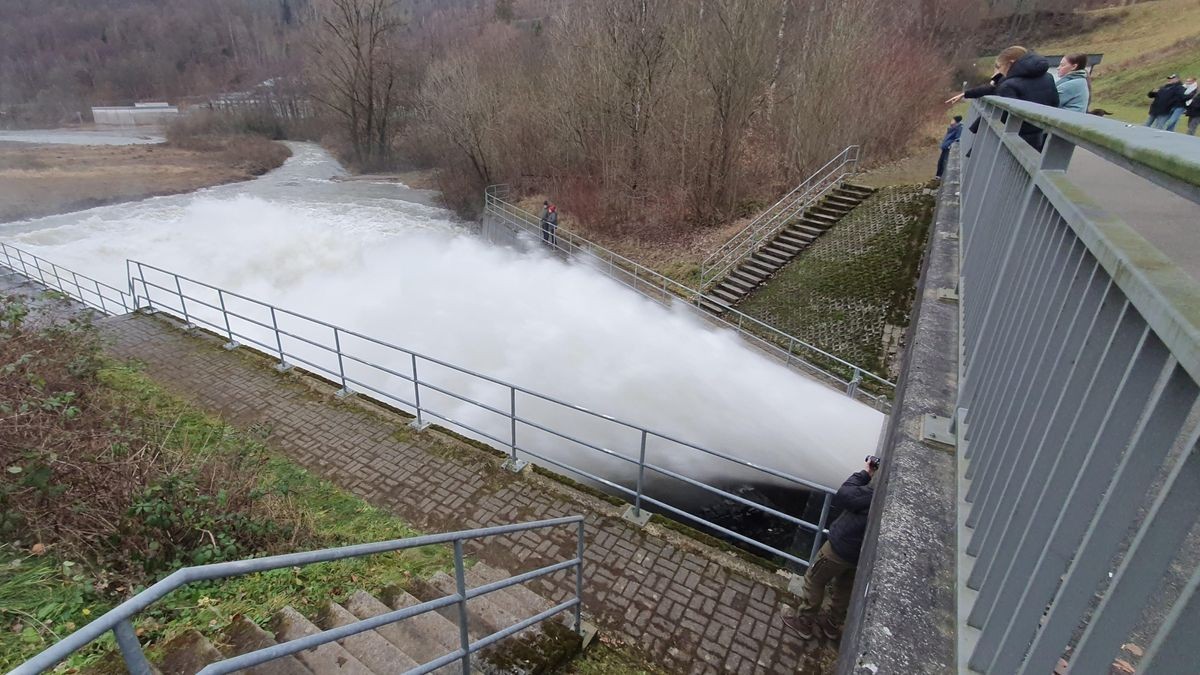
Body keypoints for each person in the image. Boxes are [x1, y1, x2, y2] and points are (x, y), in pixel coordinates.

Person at [782, 457, 878, 640]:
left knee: (814, 579)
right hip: (861, 554)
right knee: (844, 588)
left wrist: (865, 473)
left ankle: (804, 622)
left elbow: (845, 494)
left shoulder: (876, 494)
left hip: (841, 546)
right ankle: (832, 625)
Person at [947, 46, 1059, 150]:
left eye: (999, 67)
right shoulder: (1047, 77)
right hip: (1040, 135)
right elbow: (1055, 102)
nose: (999, 71)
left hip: (1015, 141)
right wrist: (967, 94)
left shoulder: (1009, 85)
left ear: (1011, 63)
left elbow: (1006, 116)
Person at [936, 115, 963, 180]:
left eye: (952, 120)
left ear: (955, 121)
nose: (951, 121)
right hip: (945, 147)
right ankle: (938, 175)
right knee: (941, 162)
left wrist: (950, 145)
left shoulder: (958, 128)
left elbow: (957, 138)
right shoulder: (952, 128)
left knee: (944, 162)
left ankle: (940, 176)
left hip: (948, 148)